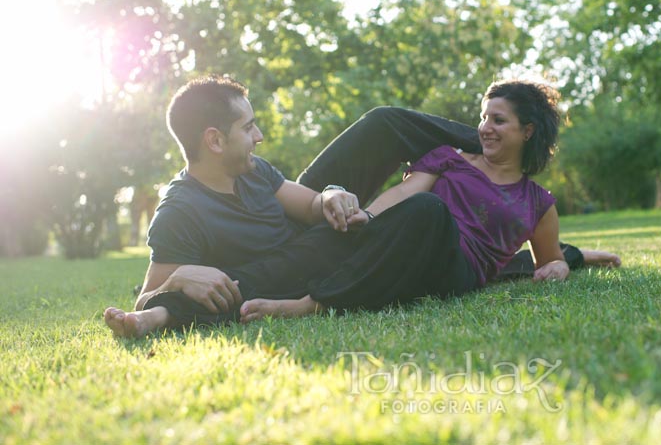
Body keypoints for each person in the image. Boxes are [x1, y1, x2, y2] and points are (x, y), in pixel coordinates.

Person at [104, 76, 619, 338]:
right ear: (215, 141)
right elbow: (151, 286)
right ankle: (162, 322)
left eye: (498, 122)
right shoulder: (180, 208)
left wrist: (333, 199)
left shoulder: (257, 172)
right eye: (249, 128)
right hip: (288, 267)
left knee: (386, 127)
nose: (260, 136)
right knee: (427, 221)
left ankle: (519, 161)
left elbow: (308, 207)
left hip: (318, 250)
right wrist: (171, 285)